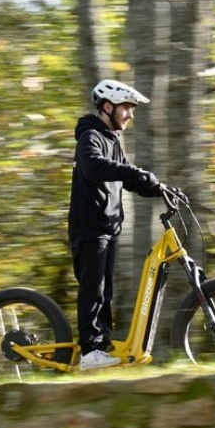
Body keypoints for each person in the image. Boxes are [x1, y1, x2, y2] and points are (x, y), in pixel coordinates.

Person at [68, 79, 167, 370]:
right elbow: (94, 166)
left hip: (108, 227)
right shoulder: (91, 137)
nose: (130, 115)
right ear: (107, 106)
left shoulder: (112, 140)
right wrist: (137, 171)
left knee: (104, 290)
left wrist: (160, 188)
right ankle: (89, 353)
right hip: (90, 227)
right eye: (126, 108)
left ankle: (101, 345)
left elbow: (126, 179)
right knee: (94, 289)